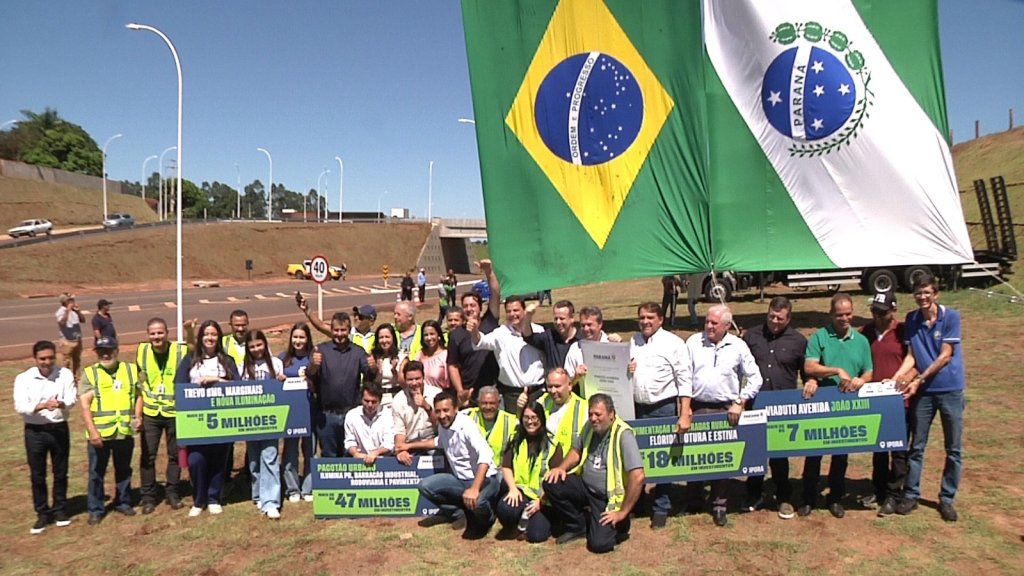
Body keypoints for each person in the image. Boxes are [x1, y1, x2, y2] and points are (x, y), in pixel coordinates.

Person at [892, 274, 966, 522]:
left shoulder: (951, 317)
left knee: (953, 448)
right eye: (918, 293)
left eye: (927, 292)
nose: (922, 297)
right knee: (917, 446)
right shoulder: (912, 319)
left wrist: (918, 379)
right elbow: (911, 356)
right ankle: (911, 494)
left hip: (949, 390)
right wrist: (895, 379)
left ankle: (947, 499)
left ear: (936, 293)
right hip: (923, 394)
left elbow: (945, 355)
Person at [686, 304, 763, 527]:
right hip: (697, 406)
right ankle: (693, 500)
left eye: (714, 323)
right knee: (696, 457)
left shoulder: (738, 346)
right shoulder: (692, 342)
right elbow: (684, 375)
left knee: (721, 459)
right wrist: (685, 405)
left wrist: (740, 401)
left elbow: (755, 377)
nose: (708, 326)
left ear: (727, 326)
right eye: (707, 321)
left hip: (726, 410)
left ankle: (719, 504)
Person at [542, 394, 644, 553]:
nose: (593, 418)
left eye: (598, 414)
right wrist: (561, 468)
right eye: (590, 414)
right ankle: (577, 526)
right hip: (585, 486)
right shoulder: (589, 426)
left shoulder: (624, 435)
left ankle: (621, 523)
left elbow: (638, 476)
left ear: (611, 414)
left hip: (607, 498)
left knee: (599, 545)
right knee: (551, 481)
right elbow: (576, 451)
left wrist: (622, 511)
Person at [803, 292, 873, 519]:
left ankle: (835, 497)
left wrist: (862, 379)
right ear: (831, 314)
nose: (844, 318)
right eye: (839, 314)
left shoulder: (861, 341)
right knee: (813, 453)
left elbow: (868, 370)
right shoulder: (820, 337)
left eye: (848, 314)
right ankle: (808, 498)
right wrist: (836, 371)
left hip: (848, 404)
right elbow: (810, 367)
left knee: (841, 455)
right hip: (822, 402)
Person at [741, 296, 807, 519]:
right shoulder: (751, 336)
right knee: (755, 451)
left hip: (782, 405)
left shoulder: (798, 341)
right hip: (756, 404)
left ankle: (783, 497)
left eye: (780, 318)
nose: (774, 321)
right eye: (771, 316)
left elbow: (806, 374)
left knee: (780, 454)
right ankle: (754, 494)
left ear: (788, 318)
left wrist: (812, 382)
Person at [628, 302, 692, 528]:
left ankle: (661, 507)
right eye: (642, 317)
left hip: (663, 407)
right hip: (637, 407)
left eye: (650, 317)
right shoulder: (633, 341)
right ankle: (637, 502)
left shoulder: (674, 343)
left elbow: (685, 379)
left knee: (663, 458)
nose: (645, 321)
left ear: (660, 319)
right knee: (636, 457)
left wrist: (684, 412)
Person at [175, 320, 239, 517]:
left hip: (222, 418)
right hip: (196, 420)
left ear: (219, 337)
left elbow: (238, 385)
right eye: (206, 334)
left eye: (214, 334)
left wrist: (217, 380)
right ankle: (198, 499)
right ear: (201, 337)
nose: (210, 338)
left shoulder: (227, 361)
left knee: (219, 459)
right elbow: (178, 385)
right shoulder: (190, 360)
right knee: (196, 460)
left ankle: (213, 497)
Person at [417, 390, 501, 540]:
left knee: (479, 502)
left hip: (485, 479)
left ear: (455, 408)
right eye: (438, 411)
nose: (442, 415)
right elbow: (438, 442)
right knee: (425, 486)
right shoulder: (444, 425)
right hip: (460, 480)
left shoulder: (466, 425)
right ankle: (459, 513)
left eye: (446, 410)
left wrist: (475, 488)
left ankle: (488, 518)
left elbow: (486, 455)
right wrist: (409, 446)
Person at [860, 291, 914, 517]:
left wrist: (905, 379)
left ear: (893, 311)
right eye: (874, 311)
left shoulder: (903, 332)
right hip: (874, 400)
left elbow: (914, 361)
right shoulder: (866, 332)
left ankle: (895, 494)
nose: (877, 316)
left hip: (899, 401)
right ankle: (879, 489)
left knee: (898, 451)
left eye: (882, 313)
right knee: (878, 448)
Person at [14, 340, 77, 534]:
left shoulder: (64, 374)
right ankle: (42, 513)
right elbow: (21, 406)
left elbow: (71, 399)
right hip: (35, 432)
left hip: (58, 429)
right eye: (42, 358)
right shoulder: (24, 379)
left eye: (50, 357)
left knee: (60, 472)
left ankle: (60, 510)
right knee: (37, 475)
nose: (47, 362)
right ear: (35, 359)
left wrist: (59, 404)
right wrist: (42, 405)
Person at [79, 336, 139, 525]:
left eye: (109, 350)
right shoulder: (90, 373)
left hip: (123, 431)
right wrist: (92, 431)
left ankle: (123, 501)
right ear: (96, 353)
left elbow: (139, 395)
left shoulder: (129, 370)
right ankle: (96, 508)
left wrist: (138, 417)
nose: (105, 354)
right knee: (97, 473)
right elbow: (85, 406)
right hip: (100, 434)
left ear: (117, 350)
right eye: (101, 351)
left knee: (124, 470)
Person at [135, 317, 189, 515]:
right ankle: (148, 496)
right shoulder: (142, 351)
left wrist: (190, 331)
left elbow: (194, 350)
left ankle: (172, 492)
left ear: (167, 333)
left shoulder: (179, 350)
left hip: (173, 411)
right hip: (150, 412)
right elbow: (140, 386)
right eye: (153, 333)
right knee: (148, 456)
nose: (156, 337)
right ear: (148, 335)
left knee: (175, 454)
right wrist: (137, 414)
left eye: (160, 333)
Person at [308, 312, 375, 457]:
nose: (339, 334)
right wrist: (313, 365)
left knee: (350, 455)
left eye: (343, 330)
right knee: (329, 456)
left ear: (349, 330)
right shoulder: (320, 350)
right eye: (336, 330)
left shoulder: (358, 352)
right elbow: (310, 376)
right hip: (327, 415)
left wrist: (373, 367)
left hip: (351, 414)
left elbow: (371, 377)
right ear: (331, 330)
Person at [470, 294, 545, 413]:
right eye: (508, 311)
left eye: (516, 310)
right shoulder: (501, 333)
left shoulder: (539, 331)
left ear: (524, 310)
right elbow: (481, 341)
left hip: (537, 392)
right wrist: (474, 331)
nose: (512, 314)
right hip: (511, 395)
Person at [241, 330, 285, 519]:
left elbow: (282, 390)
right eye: (252, 347)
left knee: (270, 456)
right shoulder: (242, 366)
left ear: (265, 344)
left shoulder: (275, 363)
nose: (256, 349)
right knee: (254, 459)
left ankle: (271, 501)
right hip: (251, 419)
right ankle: (258, 493)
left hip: (271, 418)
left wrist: (281, 380)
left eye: (259, 345)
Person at [497, 401, 556, 542]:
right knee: (506, 510)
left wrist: (540, 502)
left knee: (536, 536)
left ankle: (539, 521)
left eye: (534, 417)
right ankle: (517, 522)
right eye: (526, 417)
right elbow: (506, 466)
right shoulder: (515, 438)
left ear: (541, 419)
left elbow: (556, 477)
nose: (530, 422)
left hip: (543, 499)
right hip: (521, 492)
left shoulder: (552, 443)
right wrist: (512, 489)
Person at [447, 269, 501, 407]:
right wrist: (460, 391)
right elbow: (452, 365)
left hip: (494, 387)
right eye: (465, 306)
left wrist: (489, 272)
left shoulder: (490, 322)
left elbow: (495, 294)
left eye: (473, 305)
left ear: (480, 307)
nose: (469, 309)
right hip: (469, 393)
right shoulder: (456, 334)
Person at [280, 322, 315, 503]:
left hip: (310, 411)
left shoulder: (313, 358)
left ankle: (308, 488)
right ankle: (292, 488)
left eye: (302, 337)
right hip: (289, 414)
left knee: (309, 450)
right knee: (290, 452)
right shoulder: (282, 359)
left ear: (308, 338)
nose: (298, 341)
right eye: (295, 337)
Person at [562, 305, 622, 390]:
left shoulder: (614, 345)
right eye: (583, 325)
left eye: (589, 324)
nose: (586, 329)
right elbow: (566, 383)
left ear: (600, 324)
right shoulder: (575, 348)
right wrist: (576, 376)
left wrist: (622, 347)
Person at [534, 368, 587, 463]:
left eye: (557, 386)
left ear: (570, 385)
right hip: (541, 467)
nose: (553, 391)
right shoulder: (542, 402)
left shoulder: (584, 409)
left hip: (568, 470)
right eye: (550, 386)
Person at [392, 361, 438, 465]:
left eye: (417, 379)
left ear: (423, 377)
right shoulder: (398, 400)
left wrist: (427, 407)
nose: (414, 383)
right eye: (410, 380)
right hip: (409, 444)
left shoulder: (436, 394)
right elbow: (399, 431)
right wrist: (401, 450)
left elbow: (440, 426)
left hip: (432, 443)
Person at [462, 385, 518, 467]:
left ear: (499, 403)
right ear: (478, 403)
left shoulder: (512, 421)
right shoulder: (466, 416)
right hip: (473, 471)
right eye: (484, 403)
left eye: (492, 403)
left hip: (499, 471)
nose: (488, 407)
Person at [344, 382, 394, 464]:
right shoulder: (351, 415)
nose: (370, 405)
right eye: (366, 401)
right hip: (359, 461)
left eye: (374, 402)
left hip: (383, 460)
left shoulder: (388, 415)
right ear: (361, 399)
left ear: (380, 401)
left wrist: (375, 453)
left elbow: (389, 443)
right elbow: (350, 441)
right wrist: (355, 453)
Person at [523, 299, 580, 372]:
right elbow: (528, 337)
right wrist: (527, 316)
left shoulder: (582, 339)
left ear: (572, 318)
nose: (558, 322)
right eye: (556, 319)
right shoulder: (549, 337)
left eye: (562, 318)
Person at [369, 323, 403, 406]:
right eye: (381, 337)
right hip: (378, 399)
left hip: (396, 398)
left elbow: (404, 383)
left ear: (393, 338)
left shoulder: (401, 357)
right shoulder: (373, 357)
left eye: (387, 337)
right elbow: (369, 382)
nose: (384, 341)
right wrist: (377, 370)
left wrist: (394, 371)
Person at [54, 293, 84, 380]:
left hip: (77, 339)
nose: (73, 301)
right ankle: (66, 380)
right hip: (67, 341)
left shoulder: (74, 311)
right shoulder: (60, 311)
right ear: (65, 301)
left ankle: (77, 379)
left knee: (77, 361)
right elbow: (62, 323)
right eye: (70, 300)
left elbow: (83, 320)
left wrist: (78, 311)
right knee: (66, 362)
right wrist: (67, 311)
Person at [414, 320, 449, 391]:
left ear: (438, 335)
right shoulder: (420, 354)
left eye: (432, 334)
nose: (429, 338)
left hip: (440, 396)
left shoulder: (445, 355)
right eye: (426, 335)